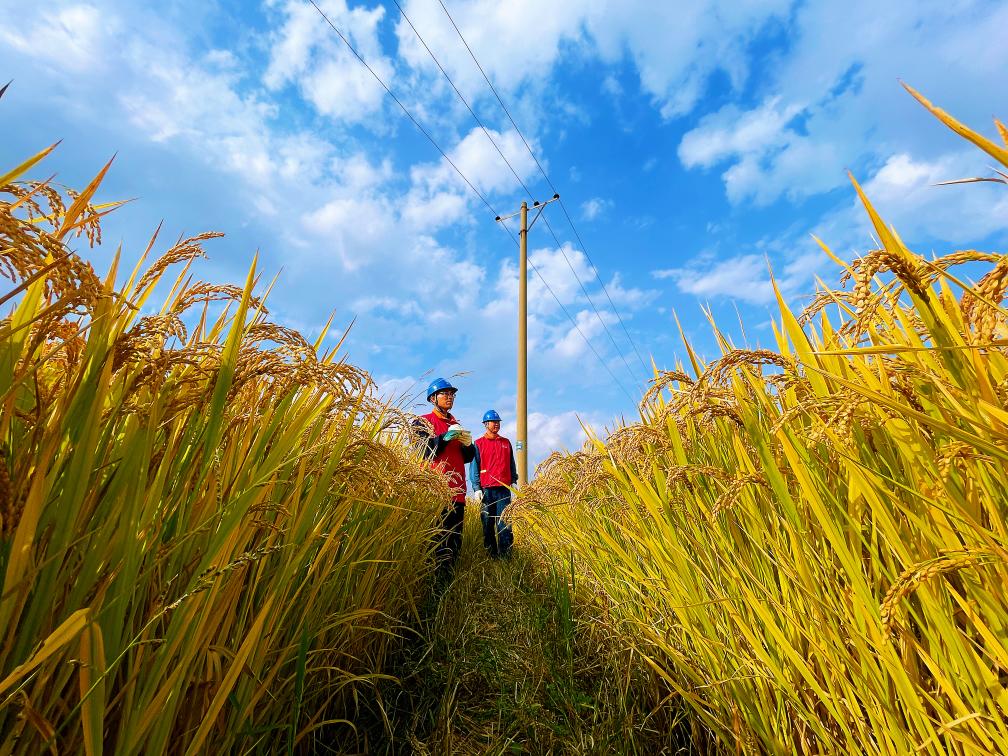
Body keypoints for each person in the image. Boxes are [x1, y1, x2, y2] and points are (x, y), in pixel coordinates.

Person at [414, 377, 475, 574]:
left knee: (455, 540)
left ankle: (449, 584)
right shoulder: (422, 421)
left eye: (452, 394)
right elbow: (422, 450)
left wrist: (468, 446)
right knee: (437, 540)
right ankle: (433, 583)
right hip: (436, 491)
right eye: (445, 394)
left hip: (457, 492)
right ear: (433, 398)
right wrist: (444, 438)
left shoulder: (456, 424)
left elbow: (465, 457)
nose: (450, 397)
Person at [469, 409, 517, 558]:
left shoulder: (506, 443)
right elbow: (474, 467)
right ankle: (491, 557)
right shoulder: (478, 444)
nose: (496, 424)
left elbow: (511, 463)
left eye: (498, 422)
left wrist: (513, 480)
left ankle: (506, 557)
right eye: (493, 422)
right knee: (488, 526)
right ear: (485, 424)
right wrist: (477, 488)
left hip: (503, 490)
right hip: (487, 491)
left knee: (505, 525)